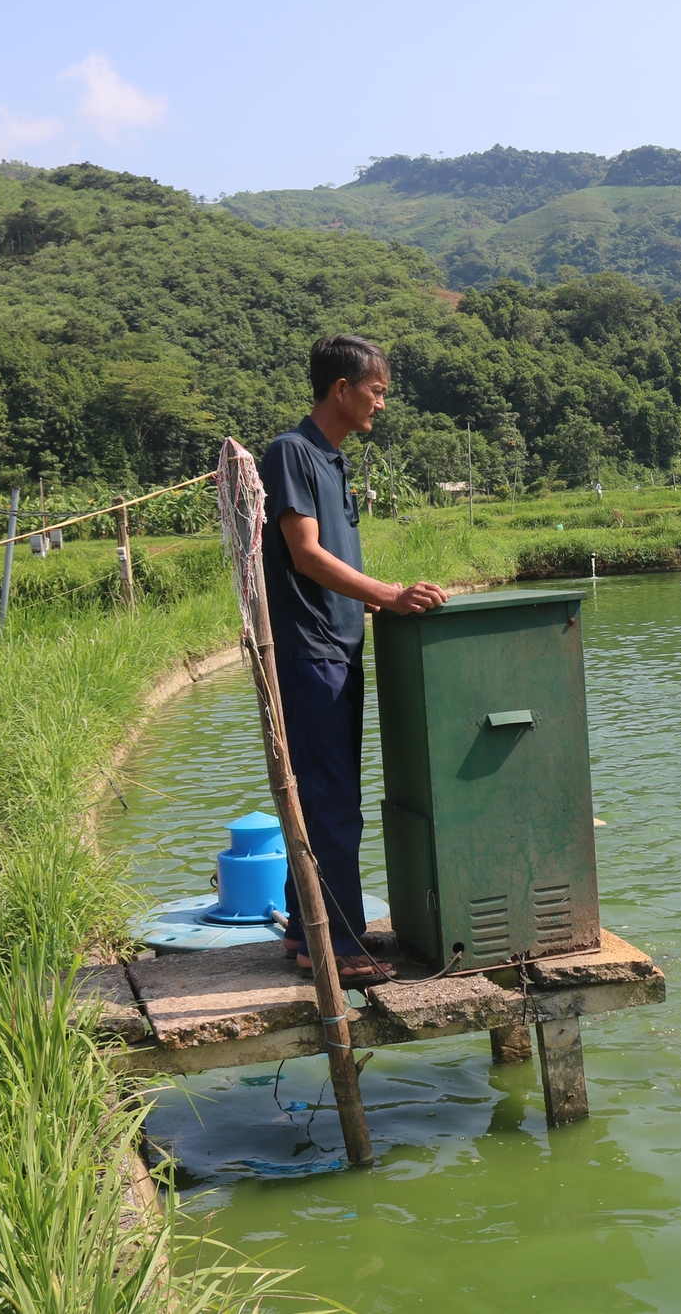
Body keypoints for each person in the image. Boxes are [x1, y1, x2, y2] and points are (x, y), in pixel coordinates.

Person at [260, 334, 448, 986]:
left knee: (321, 797)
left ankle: (302, 925)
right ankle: (333, 944)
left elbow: (327, 565)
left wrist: (369, 604)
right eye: (376, 391)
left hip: (336, 647)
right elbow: (306, 555)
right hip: (310, 654)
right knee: (333, 801)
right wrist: (388, 595)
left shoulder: (333, 462)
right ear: (341, 389)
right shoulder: (292, 453)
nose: (381, 404)